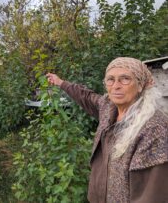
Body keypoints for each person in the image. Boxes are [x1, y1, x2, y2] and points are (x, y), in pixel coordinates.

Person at [46, 57, 168, 203]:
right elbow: (86, 97)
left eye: (125, 79)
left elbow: (152, 195)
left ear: (140, 85)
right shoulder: (108, 107)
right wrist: (61, 83)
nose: (116, 86)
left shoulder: (154, 127)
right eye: (110, 79)